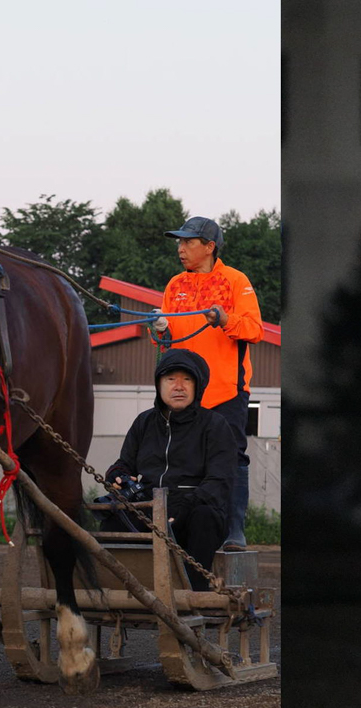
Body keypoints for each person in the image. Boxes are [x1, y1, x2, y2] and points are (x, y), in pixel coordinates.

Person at [158, 216, 264, 551]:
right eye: (179, 242)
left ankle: (234, 531)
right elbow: (167, 339)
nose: (181, 248)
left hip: (225, 390)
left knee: (231, 456)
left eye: (188, 242)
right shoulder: (174, 285)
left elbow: (254, 329)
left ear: (209, 247)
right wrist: (158, 332)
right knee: (177, 459)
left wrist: (224, 318)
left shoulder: (236, 281)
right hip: (183, 393)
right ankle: (177, 529)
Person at [105, 349, 237, 592]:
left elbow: (219, 481)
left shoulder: (215, 425)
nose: (179, 386)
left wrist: (183, 508)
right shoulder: (144, 422)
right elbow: (123, 463)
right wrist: (116, 475)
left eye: (186, 379)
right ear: (158, 385)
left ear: (198, 386)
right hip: (149, 508)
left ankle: (193, 593)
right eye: (170, 379)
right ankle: (124, 591)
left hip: (194, 510)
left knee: (204, 517)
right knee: (110, 519)